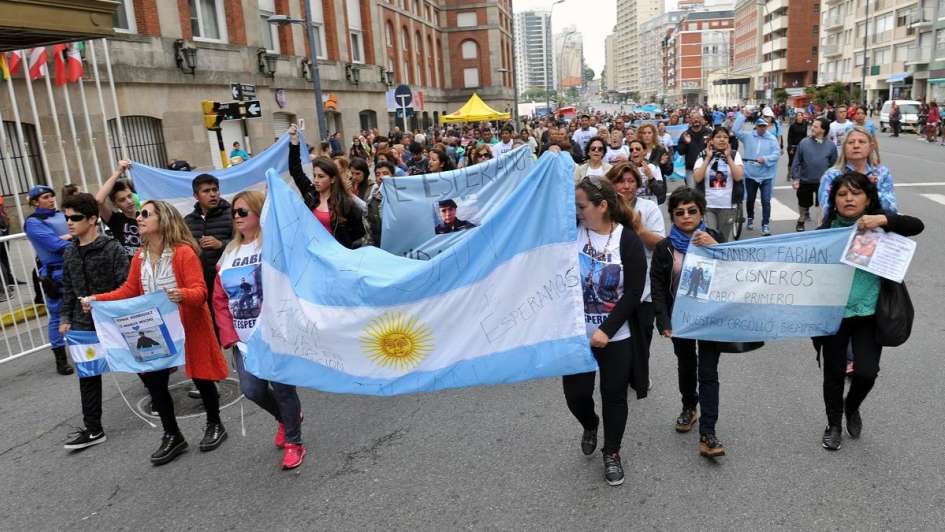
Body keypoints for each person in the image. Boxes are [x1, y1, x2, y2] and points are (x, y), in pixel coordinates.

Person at [85, 200, 229, 465]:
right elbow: (129, 291)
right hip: (155, 328)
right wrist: (97, 299)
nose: (138, 218)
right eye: (139, 214)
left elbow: (200, 292)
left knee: (201, 376)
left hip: (188, 323)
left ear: (162, 221)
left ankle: (215, 423)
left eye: (145, 214)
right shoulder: (140, 257)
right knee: (154, 382)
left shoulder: (183, 253)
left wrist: (181, 294)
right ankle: (172, 434)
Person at [815, 172, 924, 451]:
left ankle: (851, 406)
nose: (848, 198)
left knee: (866, 373)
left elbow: (917, 225)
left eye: (855, 193)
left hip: (869, 314)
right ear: (834, 201)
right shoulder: (825, 234)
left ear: (867, 199)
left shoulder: (881, 226)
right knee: (834, 372)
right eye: (841, 194)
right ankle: (834, 424)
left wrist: (884, 220)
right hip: (834, 316)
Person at [212, 190, 306, 469]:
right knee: (252, 389)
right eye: (234, 213)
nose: (236, 217)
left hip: (275, 335)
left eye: (243, 212)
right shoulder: (229, 253)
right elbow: (219, 298)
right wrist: (227, 334)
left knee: (283, 389)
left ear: (258, 214)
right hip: (244, 340)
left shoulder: (272, 247)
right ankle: (286, 417)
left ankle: (294, 442)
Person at [566, 175, 646, 486]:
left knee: (613, 395)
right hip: (576, 336)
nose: (577, 211)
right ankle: (590, 423)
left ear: (602, 206)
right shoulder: (571, 232)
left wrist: (608, 330)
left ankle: (611, 452)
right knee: (576, 396)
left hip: (615, 336)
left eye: (581, 205)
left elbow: (634, 292)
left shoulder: (627, 240)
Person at [650, 187, 727, 458]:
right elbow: (658, 286)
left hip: (710, 318)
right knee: (686, 365)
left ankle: (708, 433)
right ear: (672, 216)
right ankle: (688, 407)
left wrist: (717, 249)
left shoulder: (715, 237)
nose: (686, 216)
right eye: (679, 212)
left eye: (692, 211)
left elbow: (735, 273)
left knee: (708, 372)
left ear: (701, 213)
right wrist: (663, 319)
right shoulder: (664, 247)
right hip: (680, 318)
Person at [58, 193, 130, 450]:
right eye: (66, 218)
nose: (69, 223)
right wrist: (65, 317)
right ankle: (93, 429)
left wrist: (102, 301)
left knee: (142, 363)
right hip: (83, 324)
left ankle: (162, 401)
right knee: (88, 375)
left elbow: (126, 285)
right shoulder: (70, 252)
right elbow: (67, 288)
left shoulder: (112, 249)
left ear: (92, 219)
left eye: (75, 218)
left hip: (114, 320)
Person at [605, 163, 665, 363]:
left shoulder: (648, 208)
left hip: (644, 289)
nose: (626, 186)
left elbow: (661, 244)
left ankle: (639, 374)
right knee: (616, 339)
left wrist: (639, 229)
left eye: (631, 181)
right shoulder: (604, 210)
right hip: (611, 288)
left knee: (642, 337)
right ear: (611, 185)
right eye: (620, 181)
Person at [288, 125, 366, 248]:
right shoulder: (310, 195)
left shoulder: (345, 203)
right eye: (315, 176)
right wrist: (294, 142)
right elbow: (295, 171)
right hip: (314, 253)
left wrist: (343, 245)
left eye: (321, 176)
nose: (316, 180)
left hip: (338, 257)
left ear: (333, 179)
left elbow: (358, 232)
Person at [24, 185, 74, 375]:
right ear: (35, 202)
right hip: (55, 273)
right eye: (45, 197)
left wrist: (68, 237)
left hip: (73, 267)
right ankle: (60, 359)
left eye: (51, 196)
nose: (51, 199)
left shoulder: (61, 215)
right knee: (57, 316)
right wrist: (73, 237)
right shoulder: (33, 222)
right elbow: (54, 244)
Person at [819, 126, 896, 214]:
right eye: (851, 142)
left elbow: (892, 208)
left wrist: (870, 189)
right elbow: (827, 209)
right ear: (844, 147)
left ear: (871, 147)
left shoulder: (882, 173)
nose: (856, 146)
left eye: (861, 142)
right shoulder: (832, 175)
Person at [732, 110, 781, 236]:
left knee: (766, 200)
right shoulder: (748, 136)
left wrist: (765, 159)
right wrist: (742, 116)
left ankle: (765, 224)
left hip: (766, 176)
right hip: (751, 174)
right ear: (756, 126)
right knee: (750, 199)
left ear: (767, 127)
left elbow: (776, 154)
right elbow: (735, 130)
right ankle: (750, 218)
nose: (762, 129)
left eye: (764, 126)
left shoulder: (771, 139)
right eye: (760, 126)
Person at [692, 127, 744, 238]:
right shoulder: (703, 155)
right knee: (710, 238)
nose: (722, 140)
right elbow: (697, 178)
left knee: (723, 240)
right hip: (708, 205)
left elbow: (738, 176)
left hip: (728, 206)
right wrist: (708, 158)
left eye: (725, 137)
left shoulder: (734, 155)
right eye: (718, 137)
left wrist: (728, 157)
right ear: (711, 140)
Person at [790, 117, 837, 232]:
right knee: (803, 202)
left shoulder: (831, 146)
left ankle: (819, 226)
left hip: (823, 182)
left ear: (823, 130)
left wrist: (832, 180)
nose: (812, 128)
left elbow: (834, 164)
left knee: (820, 204)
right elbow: (796, 161)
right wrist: (796, 178)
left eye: (815, 126)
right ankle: (801, 219)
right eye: (812, 125)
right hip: (805, 180)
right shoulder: (804, 142)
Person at [95, 160, 141, 256]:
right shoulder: (116, 220)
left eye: (129, 196)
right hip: (127, 268)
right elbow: (99, 200)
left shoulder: (145, 216)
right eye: (122, 200)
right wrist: (118, 172)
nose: (129, 201)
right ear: (115, 204)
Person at [676, 110, 712, 186]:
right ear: (690, 120)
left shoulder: (709, 132)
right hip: (691, 170)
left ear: (702, 119)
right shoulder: (685, 134)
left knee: (707, 194)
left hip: (708, 168)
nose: (696, 120)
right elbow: (680, 152)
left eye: (698, 118)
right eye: (693, 118)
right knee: (692, 194)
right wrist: (686, 143)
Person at [365, 160, 395, 246]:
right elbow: (370, 229)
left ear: (393, 176)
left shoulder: (402, 198)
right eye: (377, 174)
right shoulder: (372, 202)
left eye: (385, 173)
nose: (381, 177)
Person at [627, 140, 665, 204]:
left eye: (638, 149)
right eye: (631, 150)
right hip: (632, 209)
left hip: (650, 208)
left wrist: (650, 177)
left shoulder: (653, 167)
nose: (634, 151)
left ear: (644, 151)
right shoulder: (626, 169)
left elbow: (660, 192)